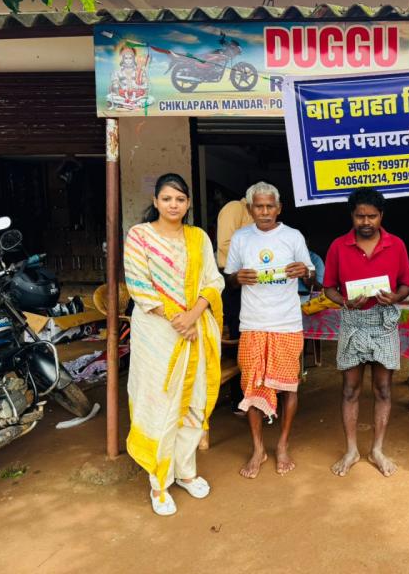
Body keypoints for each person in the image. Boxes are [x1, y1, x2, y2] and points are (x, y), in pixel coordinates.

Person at [123, 173, 224, 516]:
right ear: (155, 201)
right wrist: (178, 320)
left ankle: (185, 471)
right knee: (160, 403)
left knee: (194, 401)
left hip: (196, 330)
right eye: (167, 198)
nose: (173, 205)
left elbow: (213, 281)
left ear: (188, 203)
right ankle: (159, 481)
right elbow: (139, 285)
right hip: (156, 333)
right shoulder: (139, 236)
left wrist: (192, 316)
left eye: (180, 199)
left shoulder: (198, 238)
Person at [224, 182, 313, 478]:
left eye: (269, 206)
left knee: (288, 387)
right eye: (259, 207)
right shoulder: (241, 238)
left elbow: (312, 277)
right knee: (251, 386)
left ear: (279, 208)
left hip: (287, 323)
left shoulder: (293, 236)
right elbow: (229, 280)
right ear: (250, 209)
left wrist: (305, 272)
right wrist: (238, 278)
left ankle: (283, 445)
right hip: (253, 323)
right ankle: (258, 448)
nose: (264, 212)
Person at [323, 188, 409, 477]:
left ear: (381, 215)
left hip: (384, 322)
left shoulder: (396, 245)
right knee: (350, 389)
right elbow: (328, 288)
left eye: (372, 216)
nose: (366, 221)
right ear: (352, 215)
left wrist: (395, 298)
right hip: (353, 320)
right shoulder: (338, 246)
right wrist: (344, 301)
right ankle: (351, 450)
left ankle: (377, 450)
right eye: (360, 216)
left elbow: (406, 284)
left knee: (383, 388)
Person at [216, 196, 255, 413]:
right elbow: (225, 245)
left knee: (251, 336)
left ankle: (253, 394)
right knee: (238, 336)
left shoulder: (253, 215)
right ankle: (238, 398)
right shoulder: (234, 208)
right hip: (233, 279)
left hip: (250, 279)